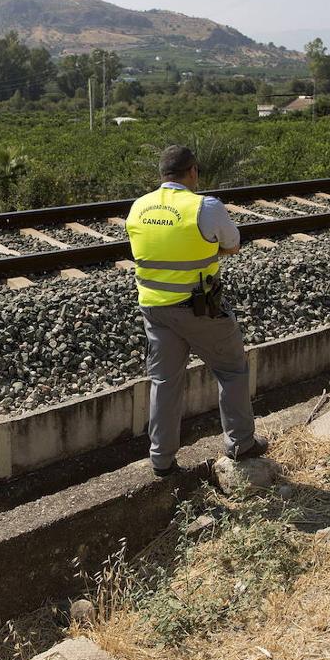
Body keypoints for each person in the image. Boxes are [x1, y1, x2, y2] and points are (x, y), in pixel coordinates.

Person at [125, 145, 267, 476]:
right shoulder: (205, 206)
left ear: (162, 175)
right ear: (193, 172)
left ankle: (161, 461)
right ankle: (241, 445)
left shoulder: (138, 207)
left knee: (164, 382)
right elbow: (232, 244)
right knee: (231, 370)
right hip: (199, 309)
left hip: (154, 310)